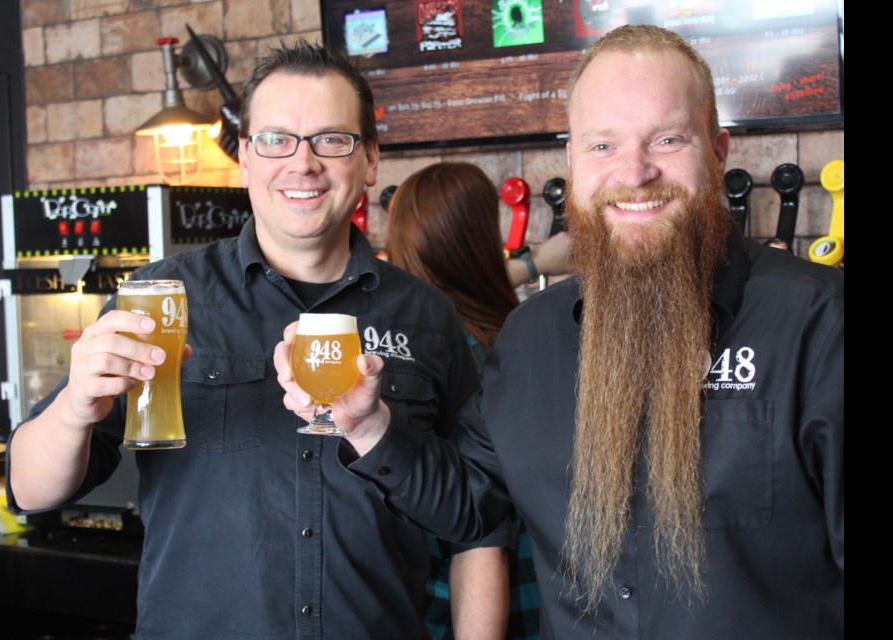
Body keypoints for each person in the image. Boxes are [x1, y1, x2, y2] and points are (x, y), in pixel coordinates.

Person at [274, 25, 844, 639]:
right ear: (571, 160)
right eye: (603, 146)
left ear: (719, 149)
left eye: (668, 138)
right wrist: (366, 425)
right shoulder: (530, 338)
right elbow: (469, 503)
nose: (635, 171)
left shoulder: (817, 322)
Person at [6, 41, 511, 639]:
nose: (303, 163)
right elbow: (28, 490)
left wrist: (376, 431)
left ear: (370, 159)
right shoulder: (162, 297)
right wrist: (73, 409)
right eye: (275, 139)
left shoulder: (426, 315)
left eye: (331, 139)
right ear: (245, 157)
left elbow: (476, 517)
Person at [386, 161, 543, 639]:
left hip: (429, 597)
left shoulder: (407, 342)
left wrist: (532, 265)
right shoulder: (494, 351)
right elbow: (479, 534)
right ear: (474, 241)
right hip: (492, 602)